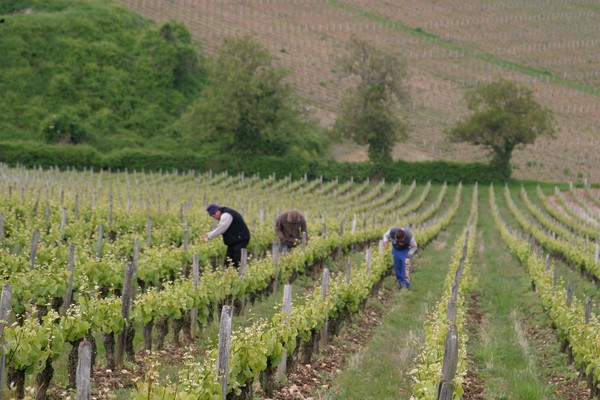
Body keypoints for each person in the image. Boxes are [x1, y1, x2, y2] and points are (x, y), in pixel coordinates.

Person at [201, 203, 251, 269]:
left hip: (240, 240)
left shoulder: (226, 215)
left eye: (214, 215)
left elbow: (222, 228)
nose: (214, 218)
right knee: (228, 261)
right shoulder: (225, 213)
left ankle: (240, 276)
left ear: (218, 211)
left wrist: (208, 235)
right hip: (234, 241)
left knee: (237, 261)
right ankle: (230, 275)